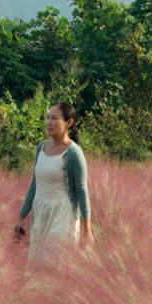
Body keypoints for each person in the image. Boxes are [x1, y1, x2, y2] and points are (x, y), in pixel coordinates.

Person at [15, 102, 94, 265]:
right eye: (47, 118)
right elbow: (34, 185)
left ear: (69, 123)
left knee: (53, 265)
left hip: (63, 216)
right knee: (36, 266)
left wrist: (87, 231)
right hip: (40, 213)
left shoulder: (73, 153)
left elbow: (82, 191)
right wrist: (20, 218)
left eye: (54, 118)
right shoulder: (41, 148)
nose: (48, 122)